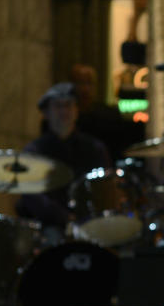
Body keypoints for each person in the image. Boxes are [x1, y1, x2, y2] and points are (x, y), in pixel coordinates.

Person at [16, 82, 111, 237]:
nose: (64, 111)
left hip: (90, 224)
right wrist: (64, 218)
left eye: (68, 105)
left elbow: (103, 188)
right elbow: (31, 196)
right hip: (48, 226)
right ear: (46, 113)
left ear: (76, 110)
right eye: (58, 106)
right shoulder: (34, 151)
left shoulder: (95, 149)